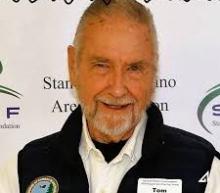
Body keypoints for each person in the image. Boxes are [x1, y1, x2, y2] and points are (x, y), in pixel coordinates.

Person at [0, 0, 220, 193]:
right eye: (101, 66)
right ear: (72, 66)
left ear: (153, 70)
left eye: (134, 68)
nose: (117, 89)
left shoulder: (205, 170)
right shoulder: (22, 173)